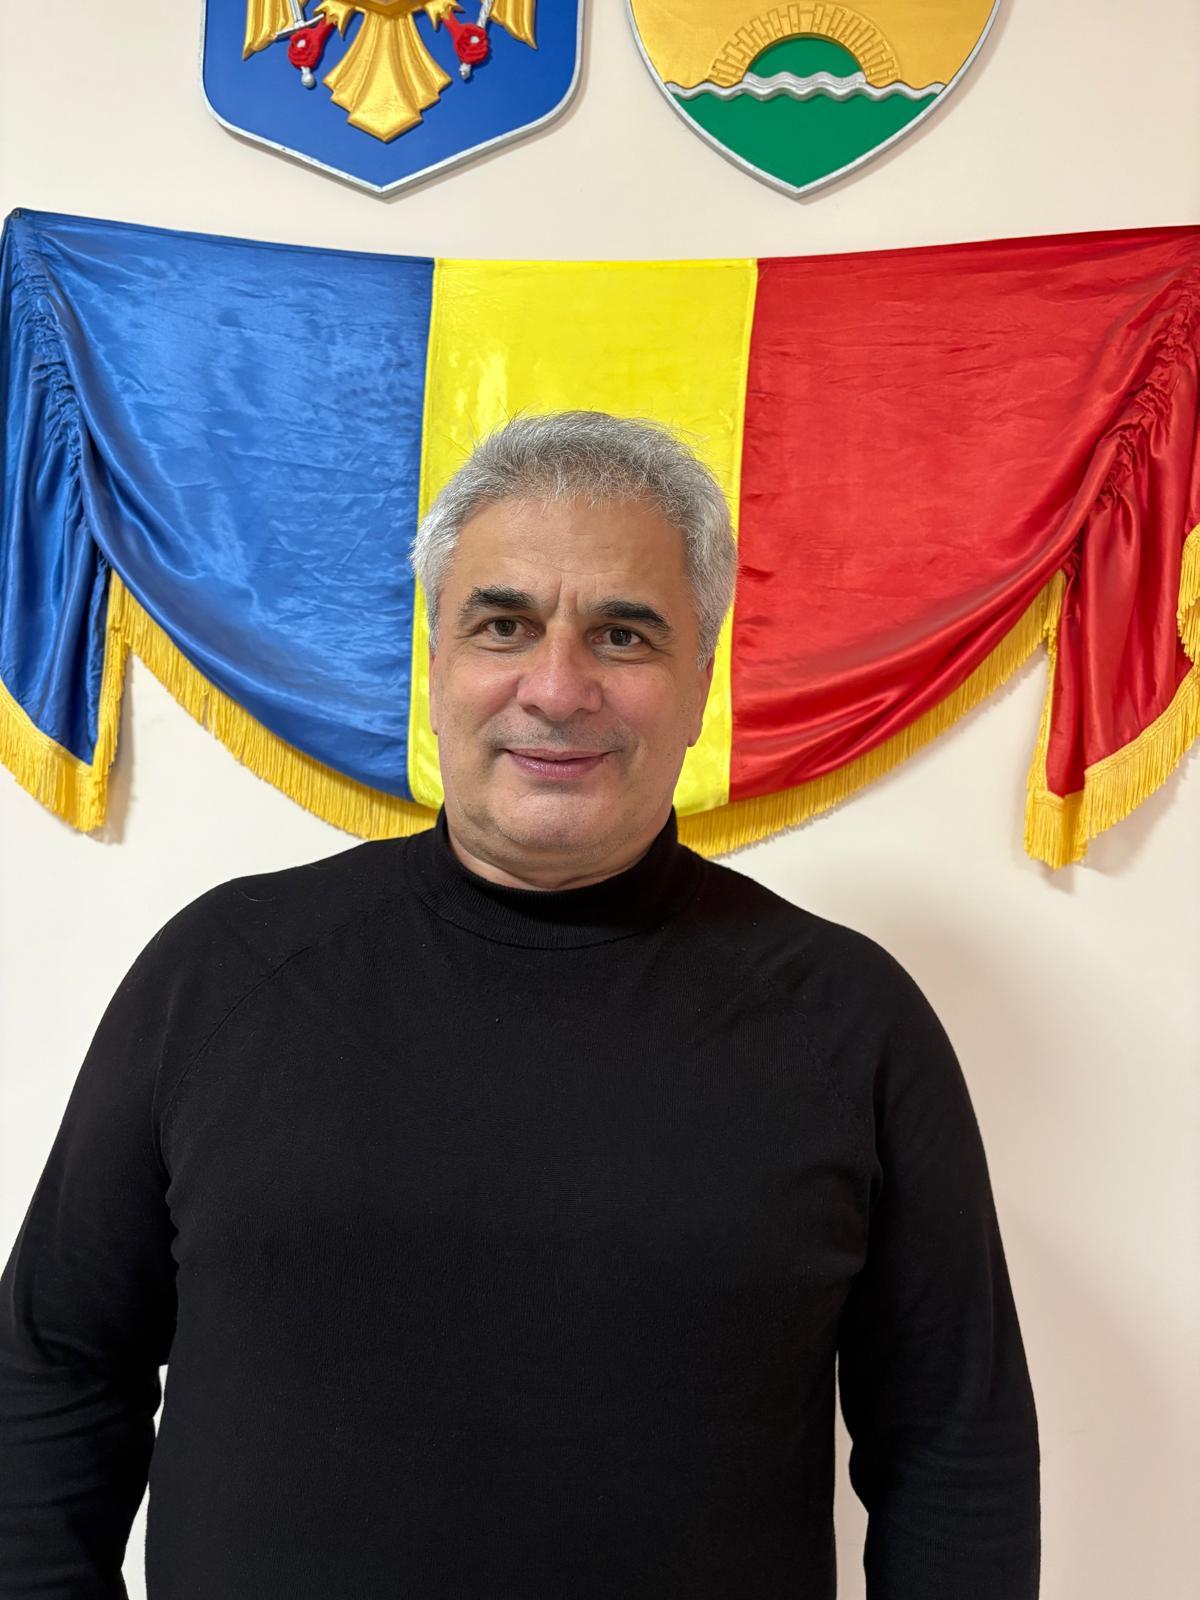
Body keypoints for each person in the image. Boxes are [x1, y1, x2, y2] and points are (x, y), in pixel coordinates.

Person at [0, 410, 1040, 1598]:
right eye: (503, 625)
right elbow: (53, 1374)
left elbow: (955, 1448)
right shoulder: (220, 975)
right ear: (434, 661)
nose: (557, 688)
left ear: (702, 681)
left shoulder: (852, 1024)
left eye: (624, 634)